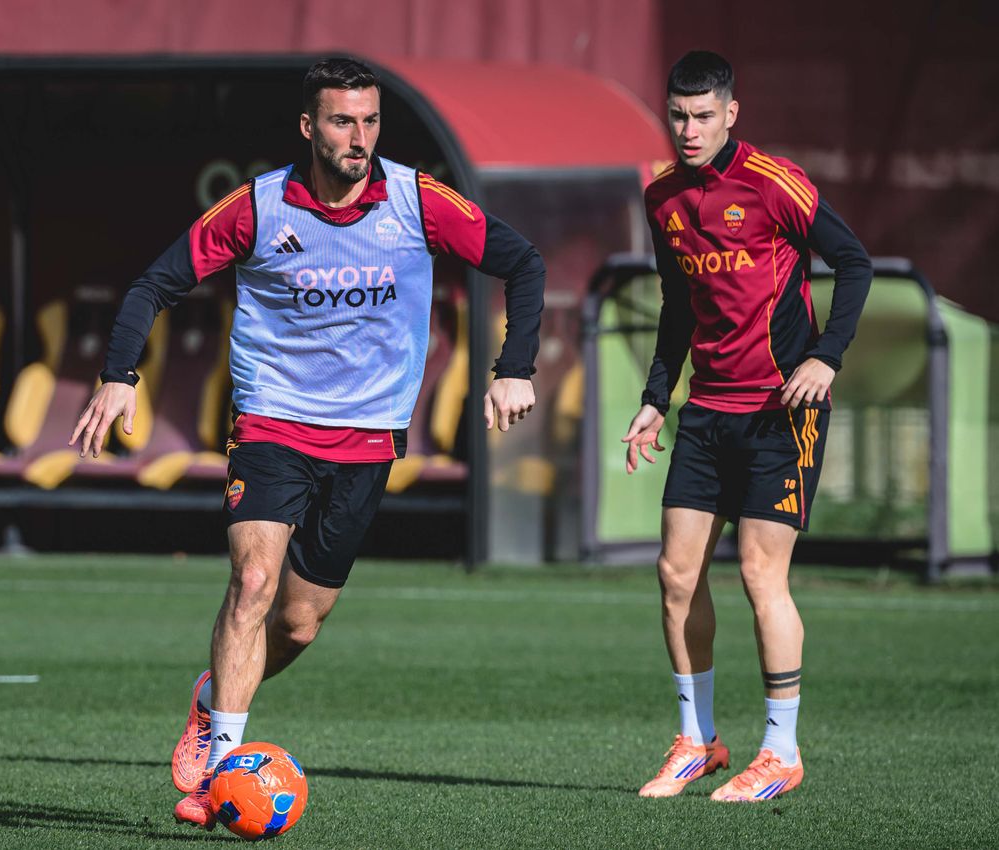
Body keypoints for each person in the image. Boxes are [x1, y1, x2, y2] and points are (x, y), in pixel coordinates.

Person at [69, 57, 545, 828]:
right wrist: (118, 374)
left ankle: (206, 699)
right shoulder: (257, 207)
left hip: (366, 438)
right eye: (341, 121)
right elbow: (153, 283)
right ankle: (221, 767)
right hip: (272, 422)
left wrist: (512, 368)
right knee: (252, 584)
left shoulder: (417, 201)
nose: (358, 138)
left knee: (296, 622)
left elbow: (522, 262)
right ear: (308, 126)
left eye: (369, 122)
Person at [622, 50, 871, 803]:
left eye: (702, 116)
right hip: (705, 413)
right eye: (677, 116)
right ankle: (697, 742)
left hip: (779, 414)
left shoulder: (774, 183)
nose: (688, 130)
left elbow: (853, 264)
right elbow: (674, 306)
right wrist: (654, 398)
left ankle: (780, 752)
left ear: (731, 113)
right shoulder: (662, 196)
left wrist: (826, 357)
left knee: (761, 575)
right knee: (674, 576)